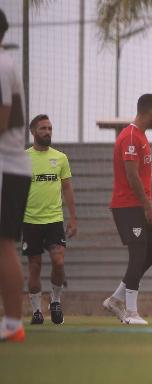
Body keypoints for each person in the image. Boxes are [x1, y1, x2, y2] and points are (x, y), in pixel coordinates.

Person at [103, 93, 152, 325]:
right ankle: (131, 312)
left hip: (142, 206)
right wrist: (148, 208)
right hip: (128, 206)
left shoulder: (141, 137)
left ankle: (115, 299)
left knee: (148, 256)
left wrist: (150, 207)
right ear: (149, 112)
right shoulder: (129, 136)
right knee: (138, 254)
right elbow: (132, 175)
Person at [23, 114, 77, 325]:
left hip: (54, 220)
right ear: (33, 132)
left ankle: (55, 301)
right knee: (34, 266)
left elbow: (67, 188)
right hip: (30, 220)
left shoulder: (60, 158)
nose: (47, 132)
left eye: (50, 128)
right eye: (43, 128)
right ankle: (36, 311)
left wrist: (73, 217)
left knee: (59, 261)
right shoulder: (24, 158)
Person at [0, 8, 31, 342]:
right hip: (10, 166)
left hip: (6, 167)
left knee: (3, 244)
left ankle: (11, 323)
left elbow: (2, 118)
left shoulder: (0, 64)